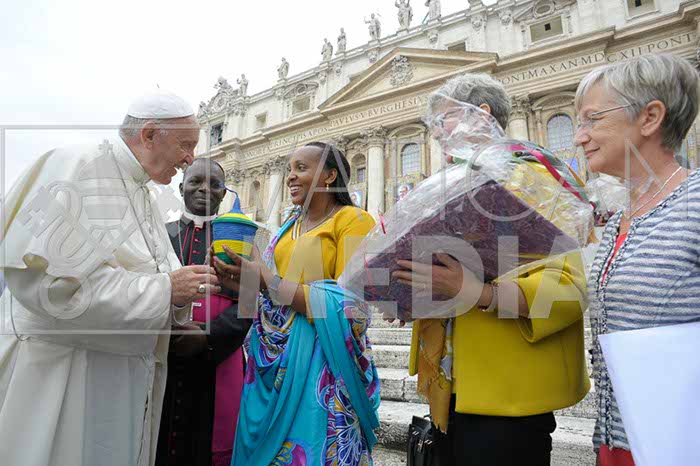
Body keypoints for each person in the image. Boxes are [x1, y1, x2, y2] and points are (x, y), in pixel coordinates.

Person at [0, 89, 220, 466]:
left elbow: (158, 277)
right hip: (63, 377)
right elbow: (51, 288)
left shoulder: (144, 195)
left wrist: (177, 302)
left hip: (117, 382)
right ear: (149, 135)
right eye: (186, 145)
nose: (190, 158)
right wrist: (166, 289)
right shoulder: (77, 168)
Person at [394, 73, 592, 465]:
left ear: (481, 115)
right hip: (450, 392)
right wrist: (410, 294)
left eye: (443, 120)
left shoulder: (535, 180)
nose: (435, 134)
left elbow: (567, 292)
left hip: (509, 399)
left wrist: (477, 291)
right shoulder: (450, 188)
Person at [211, 142, 380, 466]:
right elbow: (269, 297)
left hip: (323, 370)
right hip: (272, 364)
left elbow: (353, 308)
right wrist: (238, 282)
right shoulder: (287, 229)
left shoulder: (354, 220)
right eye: (289, 169)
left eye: (301, 168)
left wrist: (268, 282)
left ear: (330, 176)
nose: (290, 176)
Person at [574, 54, 700, 466]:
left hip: (679, 443)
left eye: (593, 119)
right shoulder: (619, 219)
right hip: (619, 441)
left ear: (650, 118)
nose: (579, 138)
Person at [156, 158, 251, 466]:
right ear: (181, 187)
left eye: (215, 184)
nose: (204, 189)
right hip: (164, 355)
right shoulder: (160, 234)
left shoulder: (241, 239)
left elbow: (249, 301)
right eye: (196, 181)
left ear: (224, 192)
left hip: (216, 359)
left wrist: (208, 338)